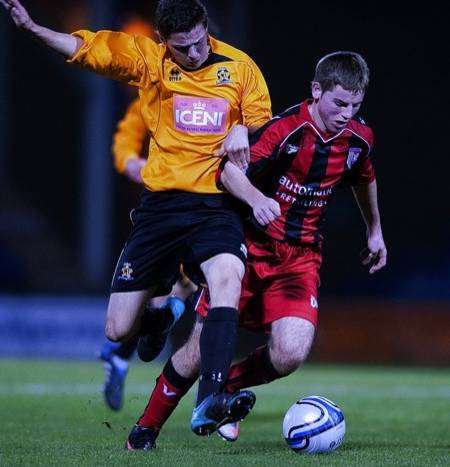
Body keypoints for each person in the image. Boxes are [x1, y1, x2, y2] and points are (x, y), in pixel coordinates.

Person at [0, 0, 272, 446]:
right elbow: (88, 49)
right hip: (161, 209)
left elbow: (265, 127)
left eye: (202, 41)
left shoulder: (240, 68)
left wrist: (247, 130)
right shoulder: (149, 60)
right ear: (164, 42)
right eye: (184, 48)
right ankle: (158, 316)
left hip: (215, 205)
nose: (196, 53)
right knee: (118, 330)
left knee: (229, 277)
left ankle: (211, 397)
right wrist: (33, 29)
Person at [114, 50, 387, 449]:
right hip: (250, 251)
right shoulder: (283, 131)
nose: (347, 113)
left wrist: (375, 229)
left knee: (290, 353)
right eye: (339, 103)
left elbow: (364, 176)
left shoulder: (360, 138)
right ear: (316, 91)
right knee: (196, 350)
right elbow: (226, 172)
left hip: (301, 259)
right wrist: (258, 199)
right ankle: (145, 430)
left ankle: (218, 394)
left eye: (355, 105)